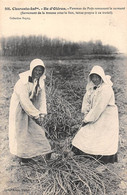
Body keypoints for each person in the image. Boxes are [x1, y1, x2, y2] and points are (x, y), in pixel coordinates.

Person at [72, 65, 119, 164]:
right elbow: (87, 103)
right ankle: (86, 153)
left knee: (102, 138)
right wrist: (86, 113)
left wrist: (87, 120)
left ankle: (103, 158)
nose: (95, 79)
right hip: (96, 114)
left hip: (106, 117)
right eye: (93, 77)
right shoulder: (92, 89)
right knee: (86, 133)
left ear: (101, 77)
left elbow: (99, 107)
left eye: (97, 77)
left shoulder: (106, 89)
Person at [9, 59, 52, 164]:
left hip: (33, 109)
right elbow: (24, 102)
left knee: (37, 130)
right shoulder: (22, 83)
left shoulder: (40, 82)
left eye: (40, 71)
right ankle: (24, 157)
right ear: (32, 69)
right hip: (20, 110)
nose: (38, 72)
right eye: (36, 70)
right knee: (22, 132)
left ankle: (43, 151)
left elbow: (42, 99)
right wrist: (36, 116)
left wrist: (41, 113)